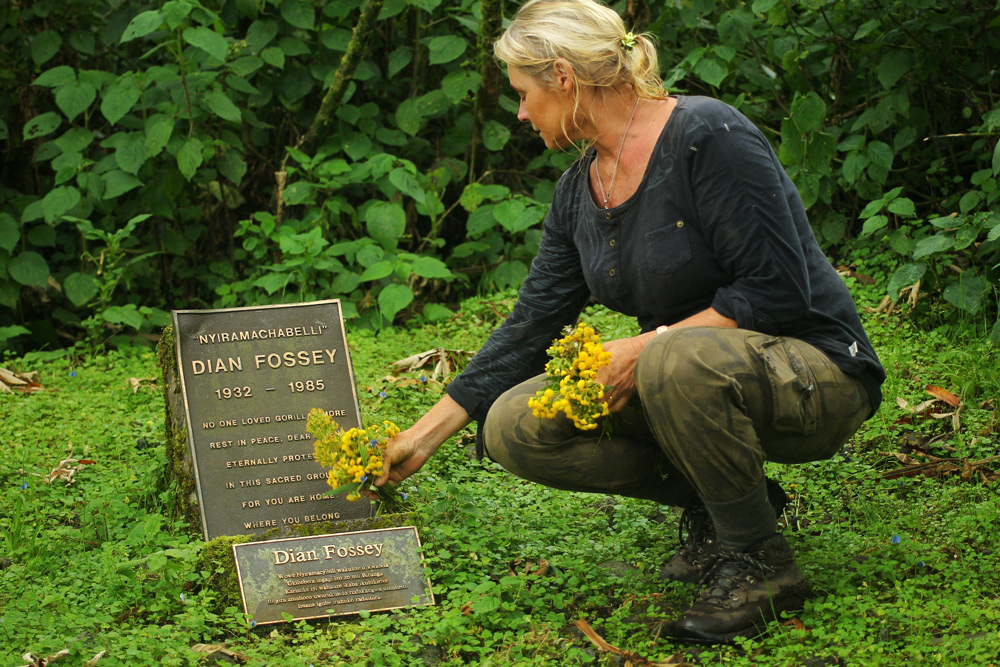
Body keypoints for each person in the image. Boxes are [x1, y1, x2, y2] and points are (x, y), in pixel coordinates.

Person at [374, 0, 885, 643]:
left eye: (525, 94)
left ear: (563, 77)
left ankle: (760, 563)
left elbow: (778, 289)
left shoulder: (705, 133)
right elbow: (532, 327)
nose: (522, 113)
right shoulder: (577, 191)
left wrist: (645, 347)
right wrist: (419, 439)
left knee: (675, 356)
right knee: (515, 424)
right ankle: (724, 504)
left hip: (814, 372)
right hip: (688, 375)